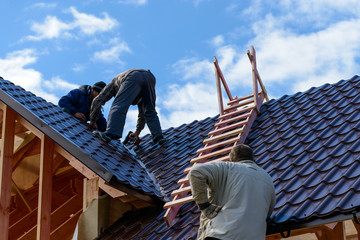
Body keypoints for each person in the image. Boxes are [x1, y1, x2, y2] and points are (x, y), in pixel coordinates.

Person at [189, 144, 276, 240]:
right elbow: (268, 212)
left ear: (231, 160)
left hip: (221, 235)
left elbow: (195, 171)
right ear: (253, 160)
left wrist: (205, 206)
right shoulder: (268, 179)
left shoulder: (228, 167)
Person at [89, 69, 166, 145]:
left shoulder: (113, 84)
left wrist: (93, 121)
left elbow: (97, 100)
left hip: (133, 76)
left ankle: (110, 133)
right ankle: (159, 138)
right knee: (150, 110)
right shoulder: (139, 90)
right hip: (150, 78)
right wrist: (137, 132)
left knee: (119, 105)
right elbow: (143, 114)